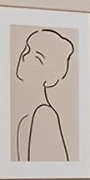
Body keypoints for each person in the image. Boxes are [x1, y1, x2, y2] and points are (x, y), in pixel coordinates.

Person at [14, 28, 74, 162]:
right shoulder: (26, 120)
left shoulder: (44, 115)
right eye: (27, 48)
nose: (25, 56)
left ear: (50, 77)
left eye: (37, 57)